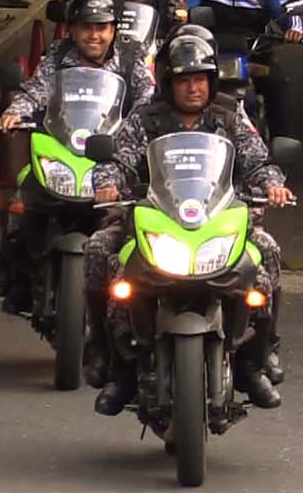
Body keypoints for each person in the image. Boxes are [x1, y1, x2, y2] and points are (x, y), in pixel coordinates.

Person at [87, 27, 292, 413]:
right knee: (101, 251)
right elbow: (115, 161)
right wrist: (108, 184)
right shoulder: (145, 119)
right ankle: (114, 364)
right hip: (153, 220)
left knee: (267, 253)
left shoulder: (230, 116)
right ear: (169, 83)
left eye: (200, 79)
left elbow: (259, 161)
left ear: (212, 81)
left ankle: (255, 360)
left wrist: (273, 185)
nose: (193, 88)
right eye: (184, 80)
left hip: (220, 221)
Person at [0, 0, 156, 312]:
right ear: (73, 29)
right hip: (63, 150)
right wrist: (15, 112)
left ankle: (135, 302)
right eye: (86, 28)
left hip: (111, 156)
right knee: (21, 206)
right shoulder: (57, 57)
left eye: (102, 28)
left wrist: (138, 129)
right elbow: (36, 90)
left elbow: (148, 100)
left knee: (136, 221)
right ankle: (16, 280)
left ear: (113, 29)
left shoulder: (128, 60)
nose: (94, 35)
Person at [183, 0, 303, 140]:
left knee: (279, 82)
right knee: (180, 83)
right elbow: (185, 11)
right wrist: (183, 18)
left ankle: (282, 147)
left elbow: (286, 11)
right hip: (209, 57)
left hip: (254, 57)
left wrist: (294, 27)